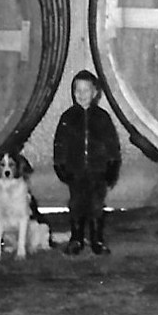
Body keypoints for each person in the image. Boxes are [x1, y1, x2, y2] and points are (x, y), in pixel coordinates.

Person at [53, 70, 121, 256]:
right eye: (78, 90)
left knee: (96, 205)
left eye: (86, 90)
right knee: (76, 204)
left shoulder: (102, 118)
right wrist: (60, 164)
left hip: (97, 171)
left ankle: (97, 240)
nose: (82, 95)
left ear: (95, 93)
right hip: (76, 171)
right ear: (73, 92)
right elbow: (60, 143)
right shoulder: (67, 117)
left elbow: (112, 144)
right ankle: (76, 239)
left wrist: (112, 167)